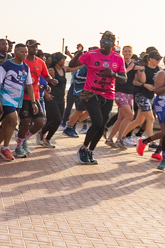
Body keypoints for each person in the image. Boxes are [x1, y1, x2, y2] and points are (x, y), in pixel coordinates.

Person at [68, 31, 126, 165]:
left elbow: (124, 79)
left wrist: (114, 75)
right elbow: (71, 65)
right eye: (103, 43)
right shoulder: (91, 55)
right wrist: (79, 52)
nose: (105, 46)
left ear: (113, 44)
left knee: (101, 127)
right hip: (91, 93)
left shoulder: (118, 58)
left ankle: (90, 150)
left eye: (108, 43)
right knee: (98, 122)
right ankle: (83, 148)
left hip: (108, 95)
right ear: (100, 42)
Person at [0, 43, 34, 161]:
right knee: (14, 121)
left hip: (18, 100)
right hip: (6, 98)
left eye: (26, 52)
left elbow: (29, 86)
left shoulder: (25, 67)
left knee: (7, 123)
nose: (24, 54)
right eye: (22, 52)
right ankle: (5, 148)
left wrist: (33, 102)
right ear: (15, 52)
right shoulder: (6, 65)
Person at [105, 45, 137, 149]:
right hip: (120, 92)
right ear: (123, 53)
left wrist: (140, 69)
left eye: (129, 51)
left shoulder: (133, 65)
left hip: (129, 93)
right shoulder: (119, 63)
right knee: (129, 116)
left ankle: (109, 139)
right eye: (125, 51)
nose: (127, 53)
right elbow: (120, 75)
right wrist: (129, 68)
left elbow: (138, 79)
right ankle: (119, 139)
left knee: (121, 118)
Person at [38, 52, 68, 148]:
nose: (64, 61)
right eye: (62, 59)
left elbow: (75, 66)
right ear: (57, 60)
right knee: (56, 119)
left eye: (64, 59)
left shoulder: (63, 69)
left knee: (55, 121)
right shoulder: (51, 70)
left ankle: (47, 139)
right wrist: (46, 94)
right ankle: (42, 133)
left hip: (61, 99)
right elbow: (42, 83)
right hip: (51, 98)